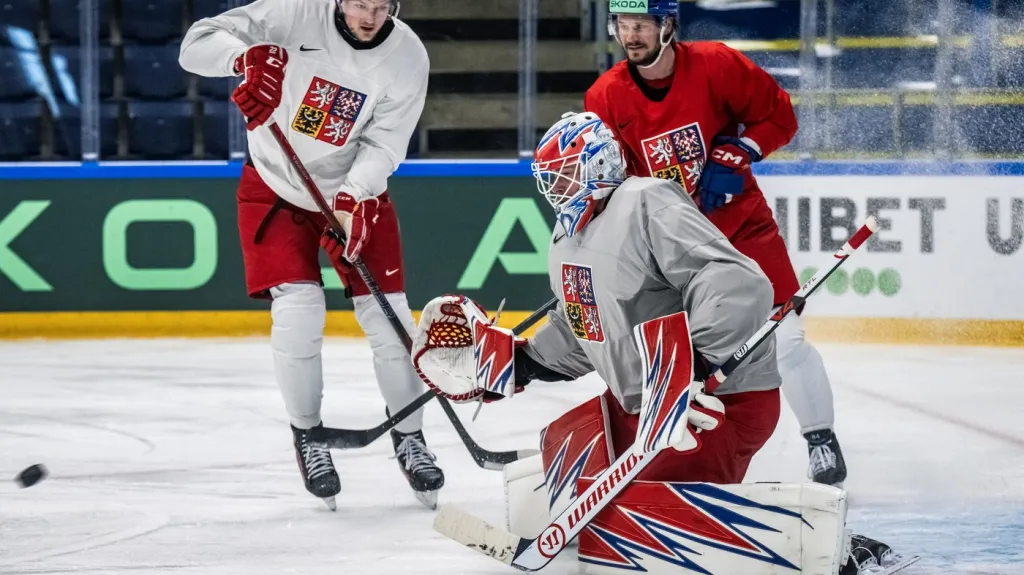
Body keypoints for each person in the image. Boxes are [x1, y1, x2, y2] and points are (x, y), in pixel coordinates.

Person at [413, 112, 910, 575]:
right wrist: (522, 364)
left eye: (564, 174)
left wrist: (694, 363)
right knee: (568, 460)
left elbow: (735, 282)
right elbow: (583, 325)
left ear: (599, 165)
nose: (555, 188)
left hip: (715, 402)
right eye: (550, 178)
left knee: (646, 520)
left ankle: (836, 551)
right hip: (644, 403)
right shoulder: (565, 242)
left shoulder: (646, 200)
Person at [178, 0, 444, 511]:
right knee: (299, 312)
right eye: (360, 3)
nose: (369, 17)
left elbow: (386, 142)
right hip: (274, 183)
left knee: (389, 317)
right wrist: (244, 58)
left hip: (353, 192)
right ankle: (308, 435)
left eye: (381, 7)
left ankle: (411, 436)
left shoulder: (408, 54)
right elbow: (195, 45)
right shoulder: (292, 14)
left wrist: (353, 196)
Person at [583, 0, 847, 486]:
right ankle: (678, 462)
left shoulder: (716, 65)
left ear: (668, 25)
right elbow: (608, 179)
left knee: (784, 340)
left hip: (741, 233)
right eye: (623, 24)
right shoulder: (605, 95)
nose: (631, 35)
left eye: (642, 24)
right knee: (677, 359)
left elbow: (779, 117)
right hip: (673, 251)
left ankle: (820, 437)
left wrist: (743, 149)